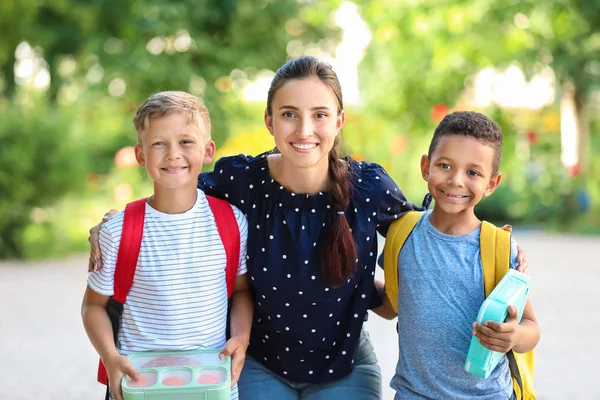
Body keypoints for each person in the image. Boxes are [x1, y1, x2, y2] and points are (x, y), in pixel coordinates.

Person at [88, 57, 527, 399]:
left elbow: (426, 228)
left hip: (345, 364)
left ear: (339, 120)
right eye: (289, 114)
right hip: (259, 361)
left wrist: (489, 243)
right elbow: (175, 186)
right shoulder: (242, 180)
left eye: (319, 114)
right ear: (269, 121)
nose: (304, 130)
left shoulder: (368, 186)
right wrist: (115, 221)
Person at [81, 91, 253, 400]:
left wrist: (241, 336)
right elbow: (93, 306)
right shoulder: (119, 231)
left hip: (211, 384)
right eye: (159, 143)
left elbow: (241, 291)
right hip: (140, 383)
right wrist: (110, 357)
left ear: (208, 150)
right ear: (141, 155)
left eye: (186, 142)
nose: (173, 154)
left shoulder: (232, 222)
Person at [382, 111, 540, 400]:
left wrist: (514, 336)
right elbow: (391, 305)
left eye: (473, 173)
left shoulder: (500, 247)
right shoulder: (402, 233)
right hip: (412, 394)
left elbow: (531, 327)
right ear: (425, 167)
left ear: (492, 183)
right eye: (445, 165)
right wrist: (348, 279)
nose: (456, 181)